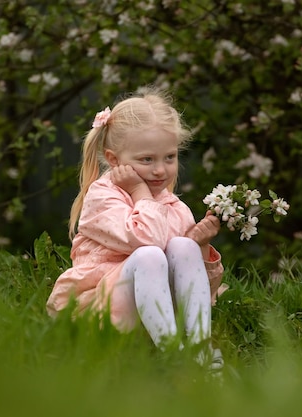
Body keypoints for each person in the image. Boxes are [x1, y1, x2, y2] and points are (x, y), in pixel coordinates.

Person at [46, 88, 225, 369]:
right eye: (147, 159)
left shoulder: (173, 206)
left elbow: (203, 292)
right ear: (114, 160)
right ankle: (174, 357)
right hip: (103, 315)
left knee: (184, 246)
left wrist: (200, 246)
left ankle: (200, 350)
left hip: (150, 317)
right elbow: (146, 240)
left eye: (169, 157)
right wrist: (140, 193)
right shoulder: (102, 197)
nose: (160, 170)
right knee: (149, 256)